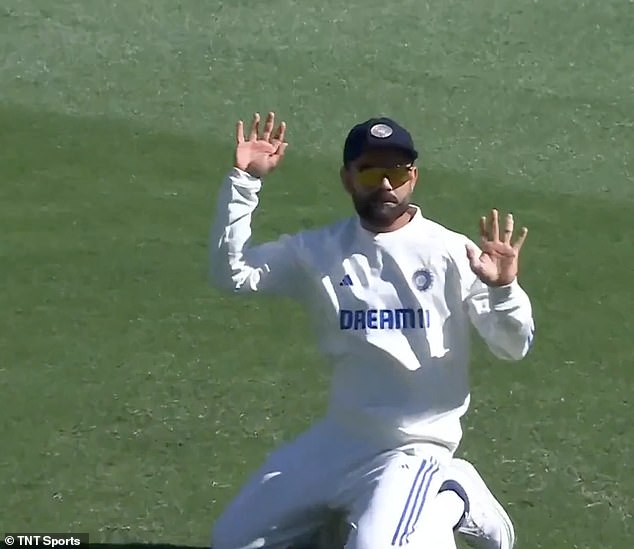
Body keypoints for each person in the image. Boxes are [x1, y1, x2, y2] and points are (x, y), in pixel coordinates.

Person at [208, 112, 534, 549]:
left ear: (413, 178)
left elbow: (513, 347)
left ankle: (455, 493)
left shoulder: (454, 253)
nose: (385, 183)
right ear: (348, 179)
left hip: (415, 445)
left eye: (396, 171)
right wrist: (245, 182)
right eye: (371, 170)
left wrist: (503, 290)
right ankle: (340, 524)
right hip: (341, 438)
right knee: (232, 542)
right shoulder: (320, 250)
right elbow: (234, 274)